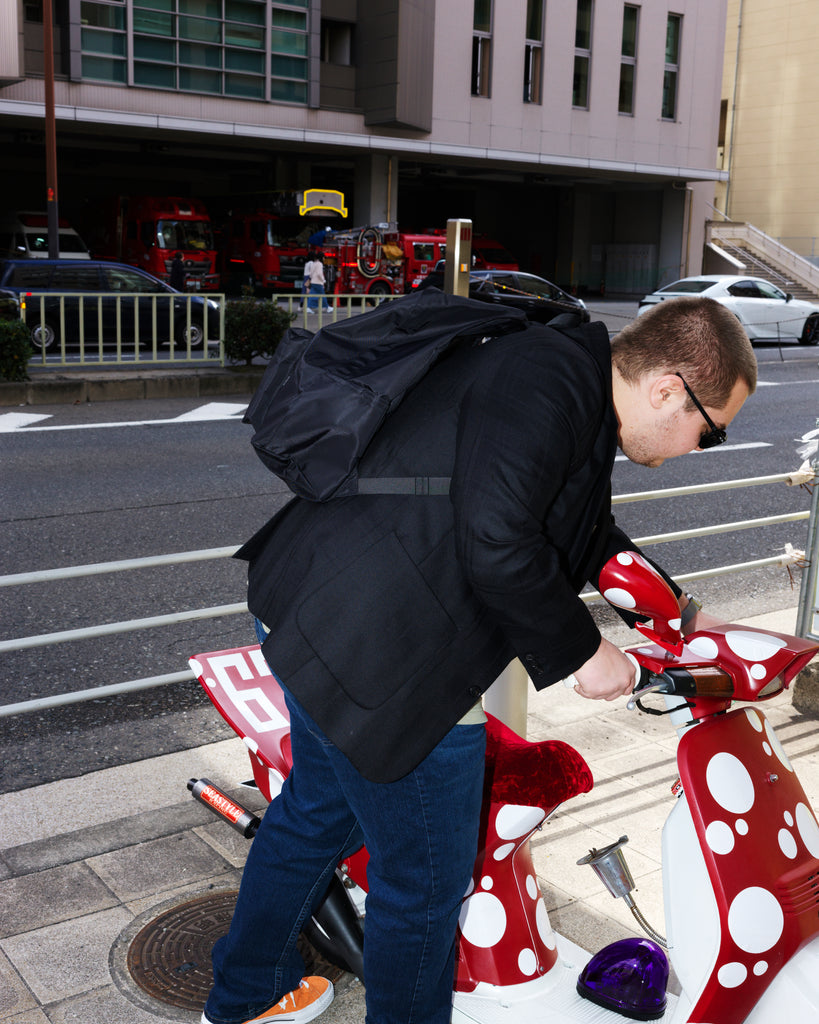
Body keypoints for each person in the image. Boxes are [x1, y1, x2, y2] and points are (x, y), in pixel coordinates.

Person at [200, 295, 757, 1024]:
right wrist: (584, 652)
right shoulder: (550, 384)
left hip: (323, 609)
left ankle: (246, 993)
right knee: (423, 887)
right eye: (708, 433)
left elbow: (585, 530)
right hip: (384, 653)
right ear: (666, 389)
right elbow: (498, 540)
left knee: (315, 815)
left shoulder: (568, 379)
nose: (696, 448)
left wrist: (682, 615)